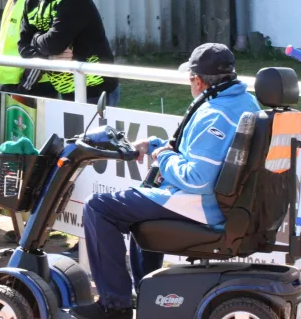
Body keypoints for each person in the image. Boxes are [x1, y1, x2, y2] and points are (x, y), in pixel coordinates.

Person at [70, 44, 260, 319]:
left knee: (98, 207)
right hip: (225, 201)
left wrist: (164, 156)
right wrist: (157, 145)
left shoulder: (214, 114)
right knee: (136, 203)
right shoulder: (245, 101)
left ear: (197, 80)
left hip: (202, 204)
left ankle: (115, 306)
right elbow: (202, 154)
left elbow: (197, 179)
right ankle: (149, 299)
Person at [18, 0, 119, 106]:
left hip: (96, 89)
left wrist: (35, 39)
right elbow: (22, 46)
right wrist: (48, 57)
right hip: (65, 89)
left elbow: (54, 43)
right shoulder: (32, 1)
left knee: (96, 132)